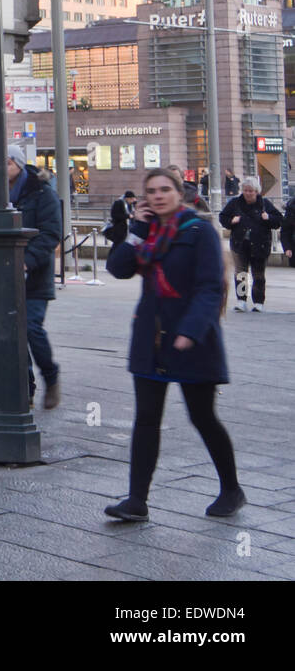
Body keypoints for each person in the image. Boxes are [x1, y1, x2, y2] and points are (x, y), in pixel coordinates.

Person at [104, 168, 244, 522]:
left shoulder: (198, 231)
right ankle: (137, 501)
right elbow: (118, 268)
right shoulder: (146, 231)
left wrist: (191, 330)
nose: (158, 196)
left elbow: (210, 286)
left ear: (179, 193)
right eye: (151, 191)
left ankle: (231, 489)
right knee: (147, 419)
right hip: (150, 337)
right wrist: (135, 229)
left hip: (192, 340)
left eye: (165, 189)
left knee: (203, 417)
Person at [7, 144, 63, 408]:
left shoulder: (42, 193)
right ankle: (25, 389)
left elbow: (51, 234)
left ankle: (51, 377)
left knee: (30, 329)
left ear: (18, 164)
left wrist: (27, 262)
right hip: (2, 273)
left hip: (34, 277)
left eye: (6, 163)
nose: (1, 168)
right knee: (9, 333)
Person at [219, 177, 281, 313]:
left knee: (258, 274)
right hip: (240, 244)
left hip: (260, 245)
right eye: (245, 190)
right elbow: (223, 217)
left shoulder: (265, 204)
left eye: (251, 191)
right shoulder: (235, 203)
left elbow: (278, 221)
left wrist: (268, 218)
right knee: (241, 273)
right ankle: (241, 301)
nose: (248, 193)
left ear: (257, 191)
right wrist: (231, 221)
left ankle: (259, 302)